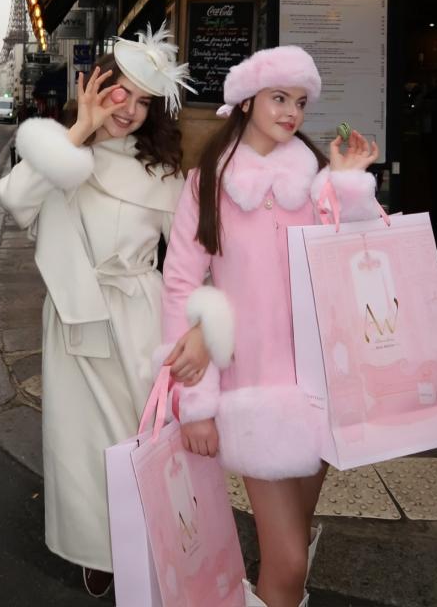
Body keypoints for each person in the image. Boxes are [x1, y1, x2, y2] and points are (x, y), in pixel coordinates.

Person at [161, 46, 379, 607]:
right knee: (287, 558)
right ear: (247, 100)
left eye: (300, 102)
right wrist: (197, 404)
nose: (290, 112)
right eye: (279, 98)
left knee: (294, 546)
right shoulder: (206, 183)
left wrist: (350, 182)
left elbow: (362, 253)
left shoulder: (314, 181)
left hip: (322, 385)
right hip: (253, 392)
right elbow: (181, 289)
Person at [0, 24, 194, 598]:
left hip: (140, 319)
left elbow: (183, 260)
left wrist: (193, 332)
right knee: (87, 448)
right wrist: (78, 129)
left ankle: (154, 541)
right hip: (76, 321)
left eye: (143, 100)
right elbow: (15, 200)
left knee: (144, 442)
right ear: (93, 85)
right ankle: (99, 549)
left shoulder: (161, 167)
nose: (129, 109)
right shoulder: (59, 154)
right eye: (118, 92)